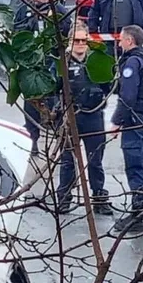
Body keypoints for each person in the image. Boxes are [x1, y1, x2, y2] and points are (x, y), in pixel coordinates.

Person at [109, 25, 143, 237]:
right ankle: (142, 209)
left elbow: (128, 96)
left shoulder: (132, 62)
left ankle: (138, 216)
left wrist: (116, 122)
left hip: (136, 121)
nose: (119, 43)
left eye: (121, 39)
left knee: (136, 166)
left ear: (129, 40)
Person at [55, 25, 113, 216]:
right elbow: (52, 90)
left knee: (95, 160)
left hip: (94, 117)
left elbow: (109, 86)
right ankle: (63, 199)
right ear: (70, 42)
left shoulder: (96, 61)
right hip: (71, 118)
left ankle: (99, 199)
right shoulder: (61, 63)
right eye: (77, 40)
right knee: (67, 161)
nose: (80, 44)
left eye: (84, 40)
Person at [14, 0, 73, 155]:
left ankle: (60, 140)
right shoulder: (24, 10)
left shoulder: (58, 10)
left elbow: (66, 32)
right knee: (31, 106)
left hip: (51, 66)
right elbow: (16, 31)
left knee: (53, 103)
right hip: (30, 66)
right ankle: (33, 142)